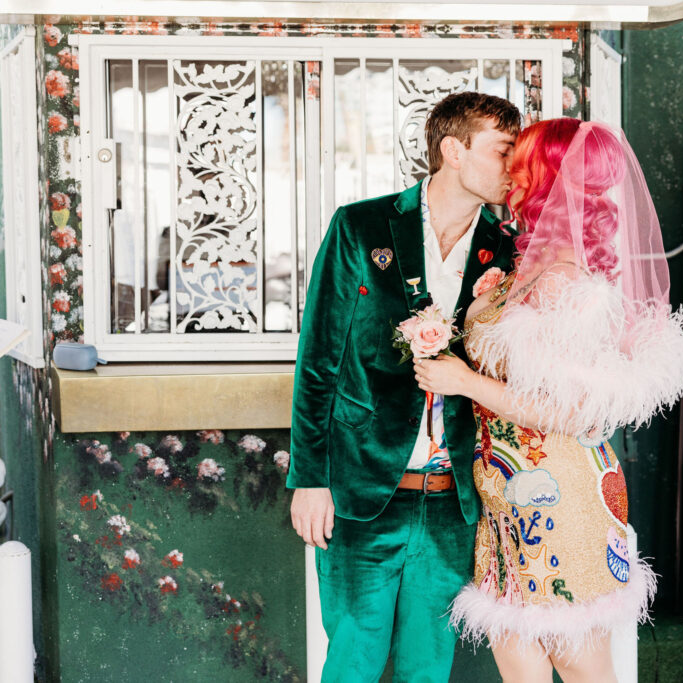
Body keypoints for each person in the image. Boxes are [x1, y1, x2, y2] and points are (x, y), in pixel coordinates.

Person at [414, 118, 683, 682]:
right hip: (506, 490)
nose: (509, 174)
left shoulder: (567, 282)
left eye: (519, 163)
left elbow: (575, 412)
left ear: (542, 177)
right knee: (518, 660)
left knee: (583, 667)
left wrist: (465, 382)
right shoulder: (529, 268)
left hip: (558, 493)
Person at [286, 92, 521, 682]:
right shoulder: (361, 227)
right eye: (502, 151)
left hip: (454, 499)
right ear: (453, 151)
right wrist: (311, 479)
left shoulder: (509, 249)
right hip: (363, 491)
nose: (513, 168)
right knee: (354, 663)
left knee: (428, 666)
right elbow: (318, 361)